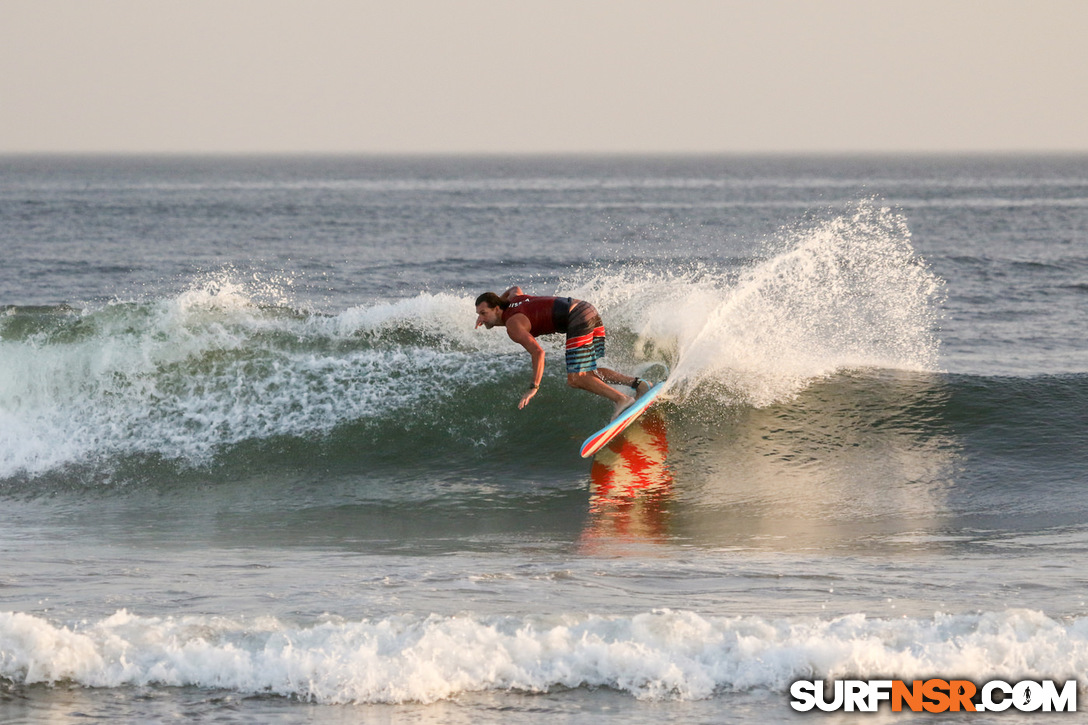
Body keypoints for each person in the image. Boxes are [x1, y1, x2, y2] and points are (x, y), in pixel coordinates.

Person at [475, 286, 650, 418]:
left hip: (577, 317)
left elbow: (538, 353)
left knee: (576, 378)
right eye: (478, 314)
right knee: (588, 373)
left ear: (497, 308)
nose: (480, 318)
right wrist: (498, 302)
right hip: (586, 309)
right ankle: (639, 384)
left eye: (483, 313)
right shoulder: (514, 299)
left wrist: (533, 388)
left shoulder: (513, 325)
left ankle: (621, 399)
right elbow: (514, 288)